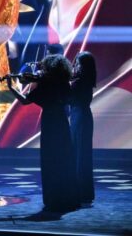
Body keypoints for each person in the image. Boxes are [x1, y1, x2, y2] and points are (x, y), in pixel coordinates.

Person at [6, 54, 79, 212]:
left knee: (50, 159)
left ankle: (53, 198)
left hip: (50, 122)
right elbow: (69, 99)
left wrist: (11, 87)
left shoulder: (45, 85)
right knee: (64, 158)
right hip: (61, 121)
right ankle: (68, 197)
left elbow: (25, 100)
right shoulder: (64, 83)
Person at [69, 51, 96, 206]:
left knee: (80, 155)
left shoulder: (80, 82)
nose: (76, 67)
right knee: (81, 155)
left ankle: (81, 192)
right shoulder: (84, 80)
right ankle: (84, 192)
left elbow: (68, 98)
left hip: (80, 118)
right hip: (80, 117)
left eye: (78, 64)